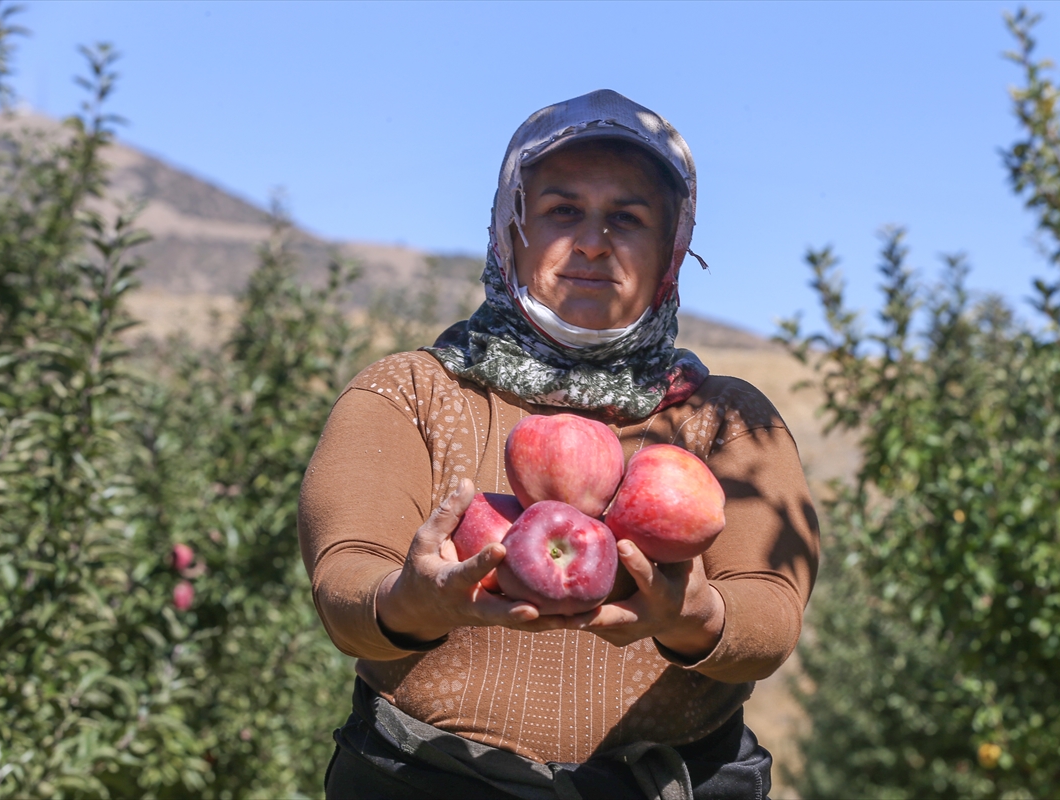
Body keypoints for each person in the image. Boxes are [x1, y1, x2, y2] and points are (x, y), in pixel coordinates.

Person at [298, 89, 821, 800]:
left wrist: (699, 618)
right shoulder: (412, 394)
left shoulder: (725, 421)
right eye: (562, 211)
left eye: (628, 219)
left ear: (673, 249)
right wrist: (414, 602)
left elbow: (772, 609)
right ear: (508, 229)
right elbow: (345, 579)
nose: (594, 242)